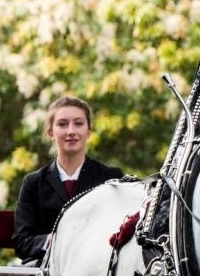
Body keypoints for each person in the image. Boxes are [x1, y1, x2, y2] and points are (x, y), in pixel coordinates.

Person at [13, 95, 123, 263]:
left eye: (78, 123)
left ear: (88, 131)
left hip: (99, 274)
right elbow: (22, 242)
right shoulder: (33, 183)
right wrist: (55, 241)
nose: (71, 131)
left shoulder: (111, 178)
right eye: (62, 124)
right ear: (51, 132)